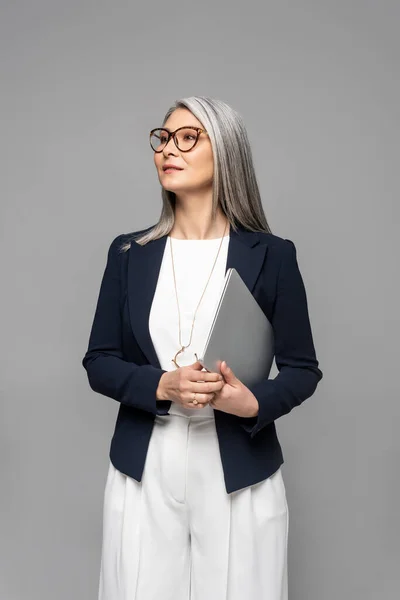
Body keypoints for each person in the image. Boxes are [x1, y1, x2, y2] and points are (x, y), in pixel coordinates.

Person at [82, 95, 323, 600]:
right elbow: (99, 361)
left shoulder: (273, 255)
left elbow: (303, 369)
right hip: (145, 467)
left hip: (239, 469)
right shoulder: (128, 253)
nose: (169, 149)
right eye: (163, 138)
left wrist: (253, 402)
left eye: (188, 136)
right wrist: (161, 385)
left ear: (226, 153)